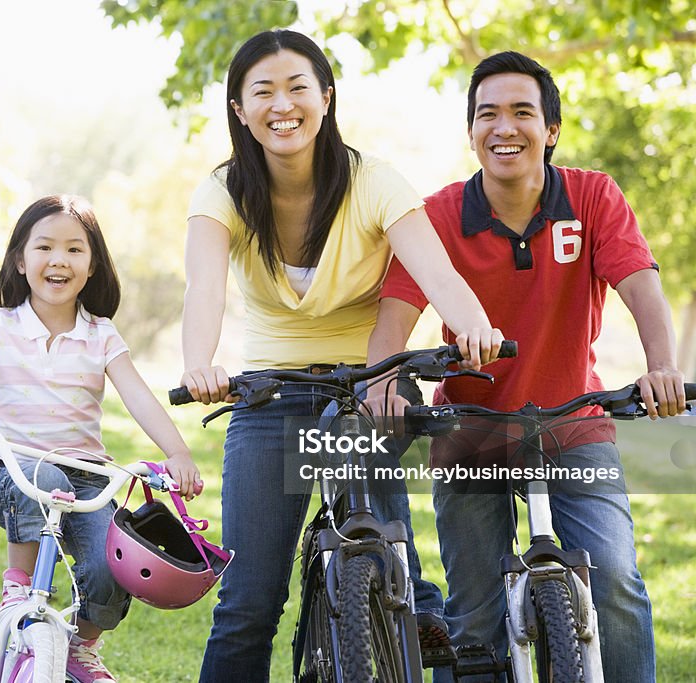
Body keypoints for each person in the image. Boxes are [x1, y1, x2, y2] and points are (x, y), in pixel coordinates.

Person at [179, 29, 504, 682]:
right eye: (262, 91)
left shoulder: (374, 180)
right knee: (248, 603)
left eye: (298, 87)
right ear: (239, 110)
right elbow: (204, 290)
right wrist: (199, 362)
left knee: (363, 486)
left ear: (326, 98)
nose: (283, 104)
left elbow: (438, 276)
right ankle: (418, 596)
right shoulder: (222, 193)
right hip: (267, 393)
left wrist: (473, 324)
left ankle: (410, 600)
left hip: (369, 384)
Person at [379, 51, 686, 683]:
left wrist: (663, 368)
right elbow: (393, 321)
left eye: (523, 112)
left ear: (551, 129)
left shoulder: (593, 196)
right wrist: (384, 382)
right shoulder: (437, 216)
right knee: (474, 617)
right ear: (471, 134)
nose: (504, 127)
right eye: (487, 114)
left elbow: (641, 287)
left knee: (616, 584)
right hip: (470, 432)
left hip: (573, 424)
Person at [0, 194, 201, 683]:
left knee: (112, 567)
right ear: (20, 259)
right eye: (45, 247)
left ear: (92, 265)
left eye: (75, 250)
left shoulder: (101, 335)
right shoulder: (0, 326)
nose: (59, 260)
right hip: (15, 470)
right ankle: (18, 585)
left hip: (89, 476)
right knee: (45, 475)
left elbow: (138, 397)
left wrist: (176, 453)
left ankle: (81, 644)